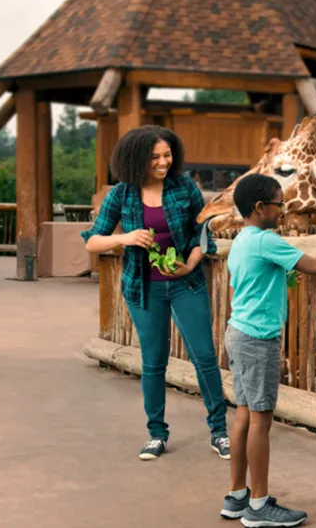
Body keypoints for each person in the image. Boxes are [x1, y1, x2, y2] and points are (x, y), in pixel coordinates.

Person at [218, 174, 316, 527]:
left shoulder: (242, 240)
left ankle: (237, 496)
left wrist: (282, 279)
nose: (283, 211)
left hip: (238, 332)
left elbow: (247, 286)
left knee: (244, 415)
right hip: (258, 340)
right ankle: (259, 507)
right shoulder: (266, 240)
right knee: (261, 420)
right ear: (260, 207)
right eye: (279, 204)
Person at [81, 125, 229, 461]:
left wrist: (189, 265)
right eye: (155, 157)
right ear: (136, 159)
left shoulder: (185, 188)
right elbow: (93, 241)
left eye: (167, 155)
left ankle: (219, 431)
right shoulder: (121, 194)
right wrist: (126, 238)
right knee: (153, 362)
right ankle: (156, 434)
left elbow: (202, 235)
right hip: (143, 288)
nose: (163, 162)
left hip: (186, 284)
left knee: (204, 357)